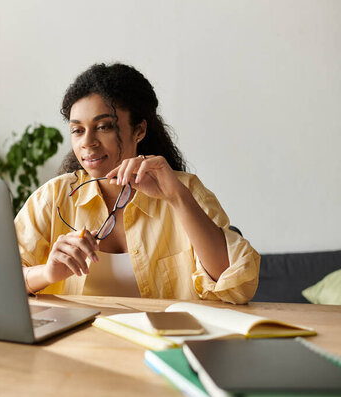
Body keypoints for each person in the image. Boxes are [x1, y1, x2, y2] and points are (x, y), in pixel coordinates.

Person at [14, 63, 259, 304]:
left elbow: (238, 286)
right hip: (79, 344)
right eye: (77, 130)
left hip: (165, 342)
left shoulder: (185, 190)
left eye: (103, 127)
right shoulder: (53, 197)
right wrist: (47, 273)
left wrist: (177, 198)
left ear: (139, 130)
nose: (87, 142)